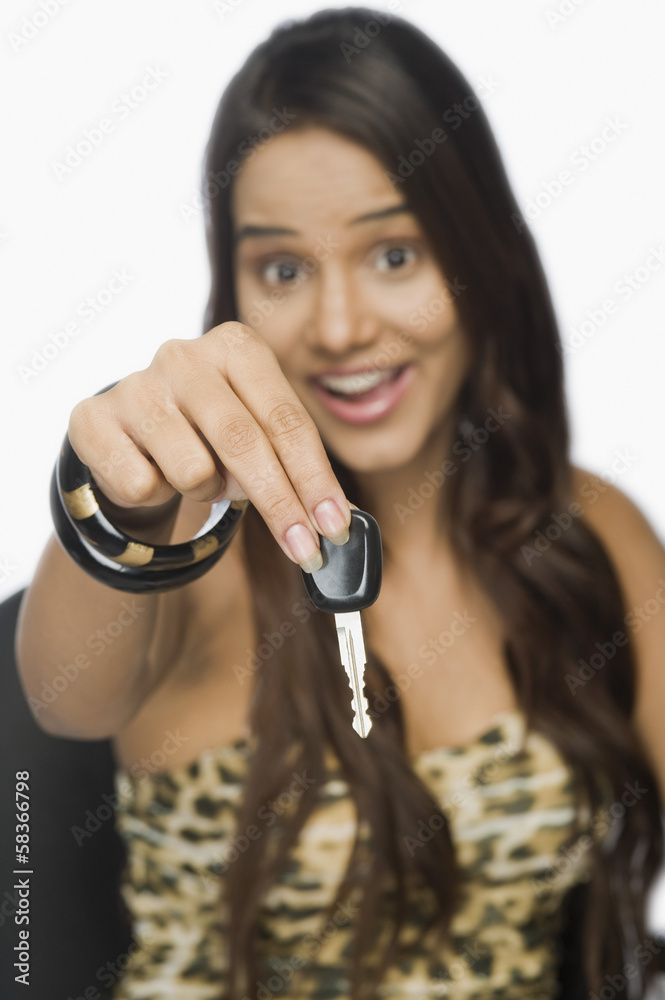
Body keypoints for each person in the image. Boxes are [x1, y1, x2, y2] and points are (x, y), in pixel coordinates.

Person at [15, 6, 665, 999]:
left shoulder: (588, 530)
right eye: (282, 268)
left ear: (476, 258)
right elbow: (63, 697)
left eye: (393, 254)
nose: (339, 326)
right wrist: (124, 506)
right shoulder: (190, 549)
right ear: (232, 289)